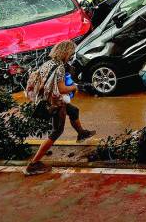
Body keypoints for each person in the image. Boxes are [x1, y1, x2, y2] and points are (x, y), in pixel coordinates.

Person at [24, 41, 96, 176]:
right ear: (65, 52)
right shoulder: (60, 67)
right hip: (56, 102)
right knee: (57, 131)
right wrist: (75, 87)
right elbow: (62, 89)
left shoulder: (48, 63)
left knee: (73, 111)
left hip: (49, 98)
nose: (72, 56)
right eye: (71, 53)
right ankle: (33, 164)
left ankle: (81, 133)